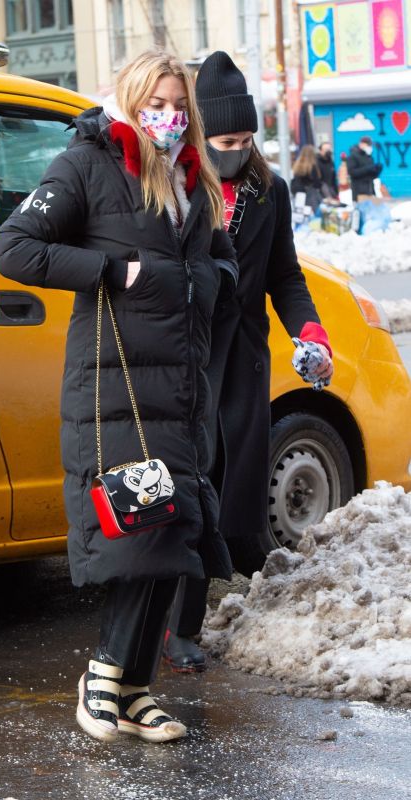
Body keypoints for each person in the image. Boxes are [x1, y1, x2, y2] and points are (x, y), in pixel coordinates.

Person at [0, 50, 238, 742]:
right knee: (147, 524)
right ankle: (103, 674)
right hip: (118, 383)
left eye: (176, 106)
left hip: (182, 382)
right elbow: (14, 247)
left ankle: (133, 690)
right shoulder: (89, 161)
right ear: (130, 100)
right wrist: (110, 270)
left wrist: (214, 279)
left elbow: (217, 255)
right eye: (155, 104)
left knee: (174, 524)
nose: (167, 117)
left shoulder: (192, 176)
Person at [162, 51, 333, 673]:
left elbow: (284, 275)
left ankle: (218, 591)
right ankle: (179, 626)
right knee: (192, 478)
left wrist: (309, 330)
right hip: (189, 357)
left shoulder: (271, 190)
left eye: (245, 138)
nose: (237, 148)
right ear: (202, 135)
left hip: (244, 359)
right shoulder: (176, 188)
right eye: (225, 138)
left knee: (234, 480)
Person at [347, 135, 382, 201]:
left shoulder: (369, 157)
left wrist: (377, 170)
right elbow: (352, 173)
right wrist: (367, 168)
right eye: (368, 145)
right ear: (361, 144)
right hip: (359, 192)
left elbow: (372, 176)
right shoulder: (353, 156)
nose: (370, 147)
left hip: (370, 190)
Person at [290, 144, 324, 212]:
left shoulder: (297, 165)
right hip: (310, 196)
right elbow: (317, 183)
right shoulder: (312, 166)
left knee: (300, 214)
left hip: (299, 195)